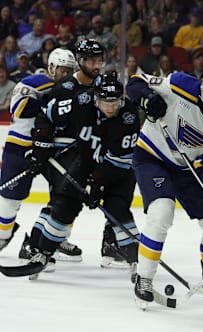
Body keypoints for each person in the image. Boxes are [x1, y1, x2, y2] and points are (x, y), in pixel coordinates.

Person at [126, 62, 203, 306]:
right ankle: (144, 278)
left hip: (188, 170)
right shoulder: (179, 84)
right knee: (161, 212)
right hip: (152, 156)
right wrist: (147, 98)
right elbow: (134, 81)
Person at [18, 71, 140, 275]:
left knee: (117, 209)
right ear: (94, 97)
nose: (110, 109)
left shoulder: (128, 117)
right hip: (86, 162)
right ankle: (43, 253)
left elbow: (118, 161)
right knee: (64, 204)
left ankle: (138, 259)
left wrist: (97, 184)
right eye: (104, 102)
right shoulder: (80, 102)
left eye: (115, 103)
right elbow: (46, 114)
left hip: (119, 170)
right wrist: (41, 145)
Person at [19, 39, 107, 264]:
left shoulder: (100, 85)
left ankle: (48, 241)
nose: (96, 64)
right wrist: (42, 147)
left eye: (99, 60)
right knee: (62, 199)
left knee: (65, 200)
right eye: (91, 60)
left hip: (85, 151)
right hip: (63, 152)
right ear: (81, 61)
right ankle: (35, 246)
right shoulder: (65, 87)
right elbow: (47, 117)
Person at [0, 49, 76, 254]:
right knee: (10, 200)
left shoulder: (73, 91)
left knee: (66, 194)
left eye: (70, 71)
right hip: (20, 147)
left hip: (51, 149)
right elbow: (20, 109)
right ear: (51, 68)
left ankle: (54, 239)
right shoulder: (34, 82)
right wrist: (51, 101)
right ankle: (2, 237)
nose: (66, 75)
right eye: (62, 70)